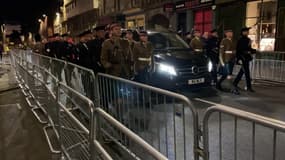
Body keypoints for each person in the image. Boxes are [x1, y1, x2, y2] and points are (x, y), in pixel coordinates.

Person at [232, 27, 257, 93]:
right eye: (246, 31)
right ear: (243, 32)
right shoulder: (240, 40)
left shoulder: (248, 39)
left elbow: (249, 48)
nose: (247, 32)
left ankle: (235, 82)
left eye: (247, 31)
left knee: (242, 71)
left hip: (246, 58)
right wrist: (238, 58)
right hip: (242, 58)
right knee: (247, 72)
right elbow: (238, 50)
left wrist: (254, 51)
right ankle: (249, 87)